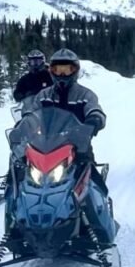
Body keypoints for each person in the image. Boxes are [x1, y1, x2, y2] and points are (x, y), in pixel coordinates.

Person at [23, 48, 107, 186]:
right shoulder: (44, 95)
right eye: (57, 70)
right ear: (51, 71)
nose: (62, 74)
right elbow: (31, 110)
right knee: (21, 167)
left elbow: (95, 109)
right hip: (45, 144)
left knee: (91, 180)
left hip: (77, 144)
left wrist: (94, 121)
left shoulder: (85, 95)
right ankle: (13, 199)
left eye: (67, 69)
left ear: (75, 71)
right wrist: (25, 123)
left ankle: (99, 205)